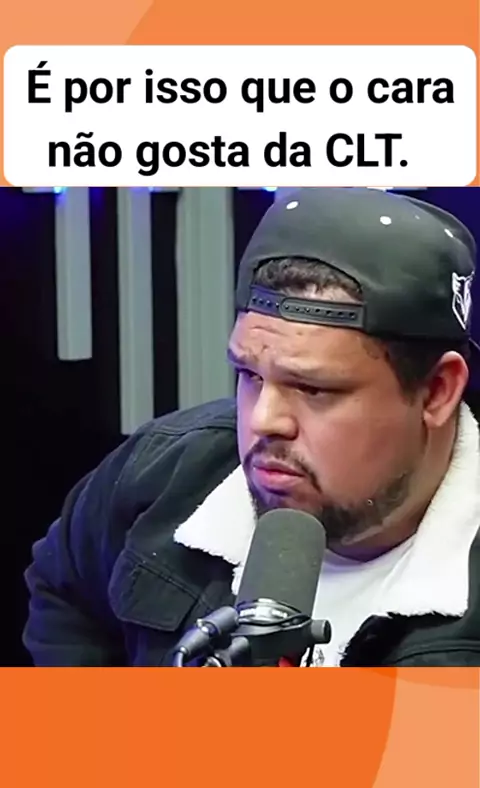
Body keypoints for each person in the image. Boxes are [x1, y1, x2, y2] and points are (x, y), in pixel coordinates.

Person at [23, 187, 480, 667]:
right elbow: (64, 590)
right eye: (250, 375)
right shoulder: (165, 472)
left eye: (313, 389)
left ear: (436, 392)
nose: (263, 420)